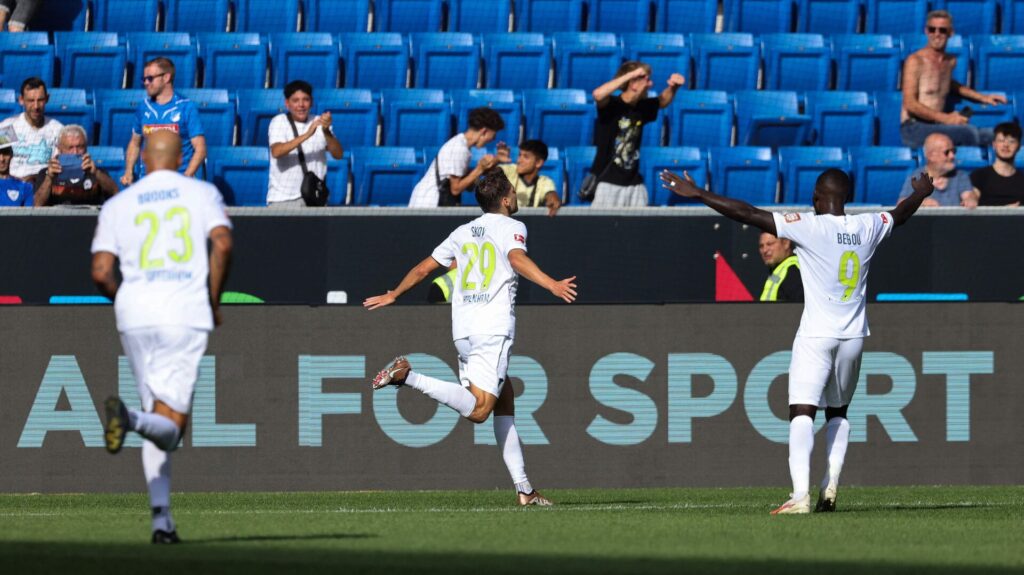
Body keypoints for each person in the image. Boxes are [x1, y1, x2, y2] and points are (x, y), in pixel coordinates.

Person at [661, 166, 934, 514]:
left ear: (816, 198)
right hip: (853, 336)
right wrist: (920, 194)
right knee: (838, 412)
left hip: (817, 334)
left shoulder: (808, 225)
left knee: (802, 411)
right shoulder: (868, 225)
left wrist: (700, 194)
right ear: (847, 197)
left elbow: (747, 212)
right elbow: (900, 214)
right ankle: (830, 484)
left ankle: (800, 495)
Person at [364, 167, 577, 506]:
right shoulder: (513, 226)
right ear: (506, 199)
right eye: (513, 192)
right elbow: (515, 257)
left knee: (503, 397)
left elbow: (424, 269)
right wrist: (551, 283)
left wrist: (394, 294)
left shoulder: (462, 232)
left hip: (463, 329)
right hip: (492, 328)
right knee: (479, 410)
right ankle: (408, 376)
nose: (517, 196)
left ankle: (525, 490)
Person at [93, 130, 233, 544]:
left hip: (134, 314)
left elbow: (101, 271)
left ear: (142, 160)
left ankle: (161, 522)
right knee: (171, 425)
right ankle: (129, 420)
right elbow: (222, 246)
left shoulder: (118, 203)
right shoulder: (201, 193)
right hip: (183, 312)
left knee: (157, 413)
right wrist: (213, 299)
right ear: (178, 157)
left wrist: (126, 299)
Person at [901, 10, 1007, 148]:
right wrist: (946, 118)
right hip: (914, 128)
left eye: (942, 30)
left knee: (1002, 134)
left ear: (950, 33)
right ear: (926, 31)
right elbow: (910, 103)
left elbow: (949, 84)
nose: (937, 34)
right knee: (969, 133)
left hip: (937, 126)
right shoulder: (915, 61)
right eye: (932, 29)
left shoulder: (950, 61)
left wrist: (983, 98)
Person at [588, 61, 685, 207]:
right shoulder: (611, 105)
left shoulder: (642, 107)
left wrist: (673, 88)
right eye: (646, 79)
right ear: (633, 83)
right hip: (607, 184)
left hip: (634, 184)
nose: (650, 84)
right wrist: (631, 74)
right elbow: (597, 94)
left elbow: (662, 101)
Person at [121, 57, 206, 186]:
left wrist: (187, 176)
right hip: (148, 182)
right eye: (144, 79)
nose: (146, 83)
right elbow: (135, 143)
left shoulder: (186, 107)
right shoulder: (142, 108)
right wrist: (128, 172)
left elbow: (200, 148)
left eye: (150, 78)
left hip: (178, 181)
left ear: (166, 78)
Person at [267, 80, 343, 208]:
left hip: (314, 198)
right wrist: (307, 134)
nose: (301, 105)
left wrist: (326, 132)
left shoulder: (319, 122)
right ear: (287, 104)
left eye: (305, 100)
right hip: (284, 200)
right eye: (295, 100)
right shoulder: (279, 122)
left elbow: (338, 154)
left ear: (311, 102)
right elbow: (277, 152)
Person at [408, 107, 504, 208]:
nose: (493, 139)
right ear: (484, 131)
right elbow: (456, 189)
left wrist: (495, 161)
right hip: (429, 203)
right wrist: (480, 169)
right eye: (494, 135)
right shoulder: (460, 149)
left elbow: (468, 186)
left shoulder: (461, 144)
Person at [32, 124, 118, 206]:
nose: (75, 152)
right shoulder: (46, 173)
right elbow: (37, 204)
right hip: (58, 220)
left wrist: (96, 173)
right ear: (60, 150)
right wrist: (49, 178)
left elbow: (116, 194)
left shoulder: (97, 172)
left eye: (80, 147)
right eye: (70, 147)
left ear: (86, 148)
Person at [0, 77, 63, 180]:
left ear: (47, 99)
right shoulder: (8, 127)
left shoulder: (57, 130)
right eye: (30, 101)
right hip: (13, 186)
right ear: (21, 100)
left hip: (46, 186)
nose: (36, 106)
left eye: (40, 100)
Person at [896, 132, 976, 208]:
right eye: (947, 152)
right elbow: (901, 204)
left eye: (953, 151)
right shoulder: (917, 177)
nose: (952, 156)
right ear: (931, 156)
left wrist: (970, 200)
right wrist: (921, 203)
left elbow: (968, 195)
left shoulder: (960, 176)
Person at [498, 139, 561, 217]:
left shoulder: (544, 181)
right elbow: (489, 172)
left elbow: (550, 193)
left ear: (538, 163)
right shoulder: (511, 170)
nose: (519, 160)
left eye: (526, 157)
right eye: (519, 155)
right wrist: (496, 160)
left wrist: (553, 198)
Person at [970, 121, 1024, 207]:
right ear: (994, 144)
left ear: (1018, 147)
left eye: (1011, 141)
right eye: (1001, 141)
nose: (1006, 145)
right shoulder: (979, 176)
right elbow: (972, 202)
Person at [758, 232, 803, 302]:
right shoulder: (779, 270)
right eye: (761, 246)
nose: (765, 250)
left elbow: (798, 308)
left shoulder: (794, 270)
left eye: (770, 244)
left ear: (786, 243)